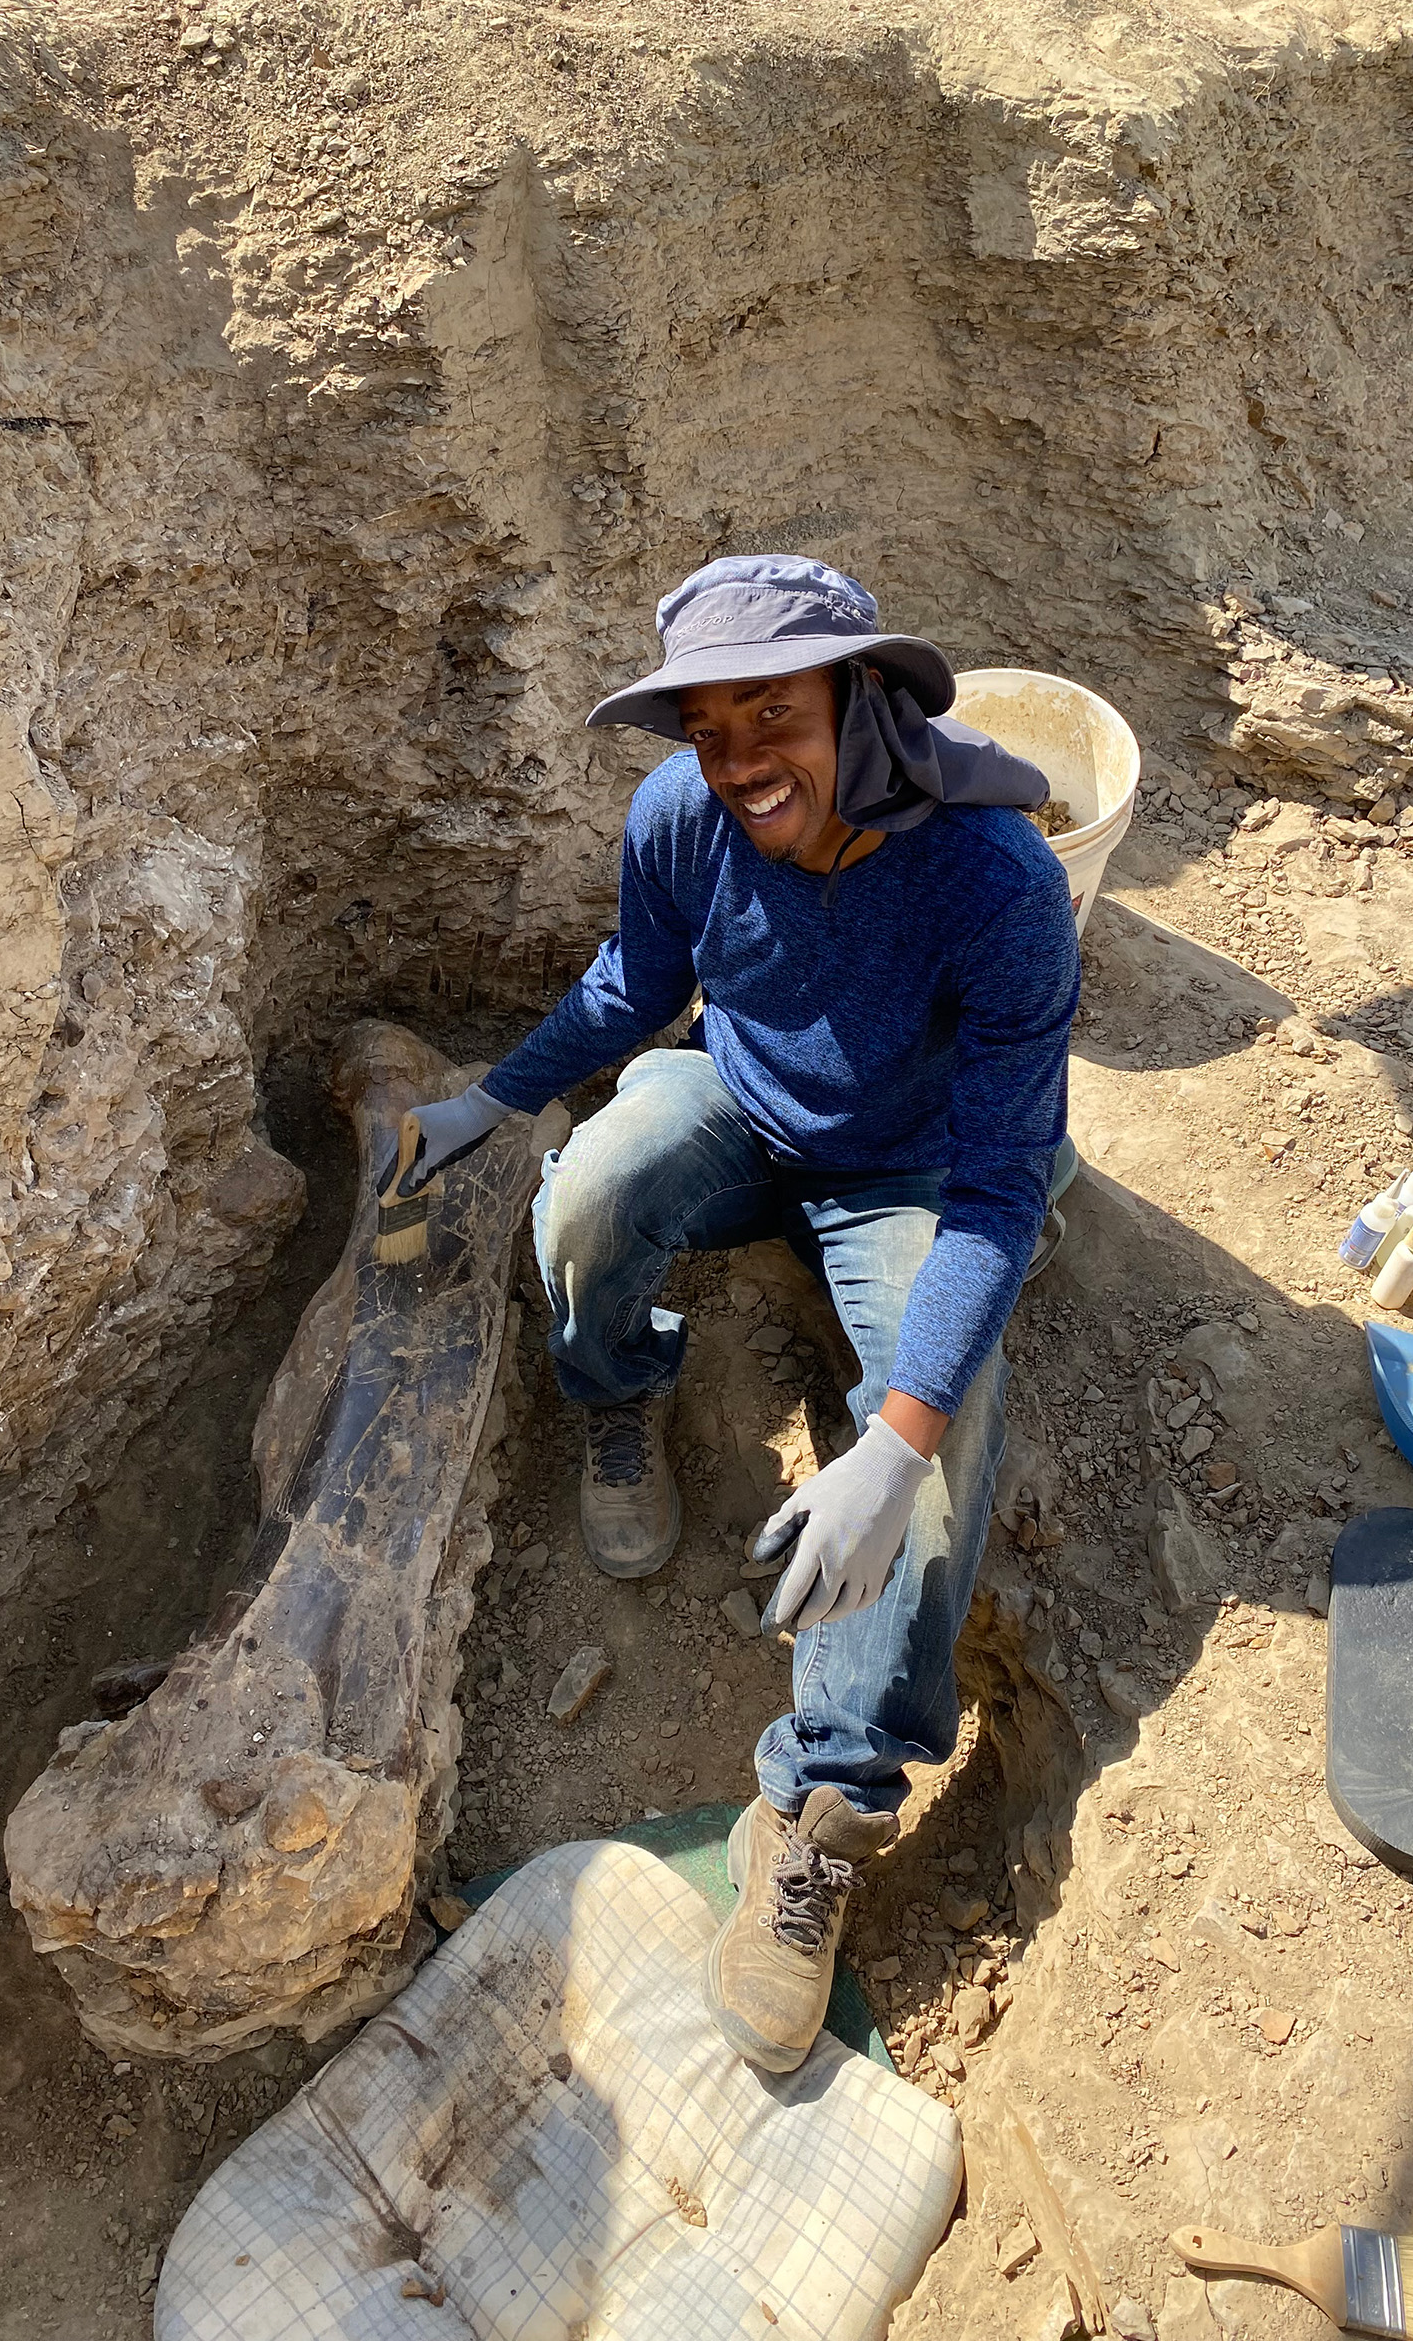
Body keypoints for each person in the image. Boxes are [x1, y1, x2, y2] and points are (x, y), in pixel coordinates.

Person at [397, 556, 1080, 2072]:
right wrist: (485, 1102)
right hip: (745, 1107)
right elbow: (634, 984)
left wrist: (893, 1446)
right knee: (584, 1188)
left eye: (773, 711)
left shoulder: (998, 882)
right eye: (708, 726)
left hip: (918, 1170)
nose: (739, 757)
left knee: (949, 1428)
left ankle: (824, 1802)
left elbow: (1000, 1194)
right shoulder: (684, 819)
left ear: (864, 702)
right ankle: (616, 1399)